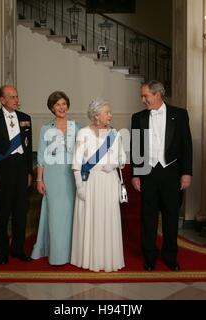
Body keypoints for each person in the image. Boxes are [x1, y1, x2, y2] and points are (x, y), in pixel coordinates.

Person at [130, 80, 193, 272]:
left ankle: (170, 257)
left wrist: (186, 173)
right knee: (148, 218)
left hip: (171, 173)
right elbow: (136, 148)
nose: (142, 100)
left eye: (145, 96)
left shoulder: (179, 114)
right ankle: (149, 257)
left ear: (157, 95)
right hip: (148, 173)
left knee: (171, 217)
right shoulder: (138, 117)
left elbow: (186, 146)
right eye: (142, 96)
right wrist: (135, 174)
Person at [0, 85, 33, 265]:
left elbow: (28, 148)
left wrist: (28, 172)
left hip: (20, 172)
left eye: (17, 97)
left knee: (20, 214)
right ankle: (2, 252)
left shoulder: (26, 119)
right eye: (12, 97)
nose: (16, 100)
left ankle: (18, 249)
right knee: (2, 215)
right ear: (2, 100)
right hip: (1, 172)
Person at [70, 98, 125, 272]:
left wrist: (114, 164)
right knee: (90, 218)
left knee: (108, 218)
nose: (110, 115)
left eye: (110, 112)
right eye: (107, 112)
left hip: (109, 182)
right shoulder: (83, 133)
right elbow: (76, 163)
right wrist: (80, 187)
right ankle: (89, 259)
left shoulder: (114, 134)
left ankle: (108, 259)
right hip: (90, 182)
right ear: (96, 116)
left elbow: (122, 159)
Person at [30, 91, 81, 265]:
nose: (61, 107)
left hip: (71, 175)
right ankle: (57, 255)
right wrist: (39, 180)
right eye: (57, 104)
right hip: (52, 177)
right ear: (52, 108)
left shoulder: (77, 127)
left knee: (71, 214)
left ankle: (72, 254)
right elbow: (41, 157)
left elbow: (83, 153)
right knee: (55, 215)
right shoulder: (46, 128)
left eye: (64, 104)